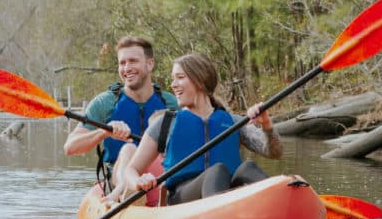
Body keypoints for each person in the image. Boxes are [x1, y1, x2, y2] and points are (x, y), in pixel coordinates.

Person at [122, 53, 283, 205]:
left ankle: (279, 202)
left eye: (180, 77)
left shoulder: (233, 122)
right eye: (173, 79)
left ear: (200, 80)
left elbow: (275, 153)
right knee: (216, 171)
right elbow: (131, 169)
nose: (173, 85)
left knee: (247, 168)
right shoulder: (166, 123)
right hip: (182, 198)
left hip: (228, 195)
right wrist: (137, 181)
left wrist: (266, 124)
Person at [63, 36, 177, 204]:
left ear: (150, 64)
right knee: (129, 149)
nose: (127, 68)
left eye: (133, 61)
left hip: (160, 175)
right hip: (119, 176)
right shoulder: (105, 103)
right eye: (122, 63)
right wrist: (104, 132)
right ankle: (127, 192)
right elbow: (70, 147)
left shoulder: (172, 103)